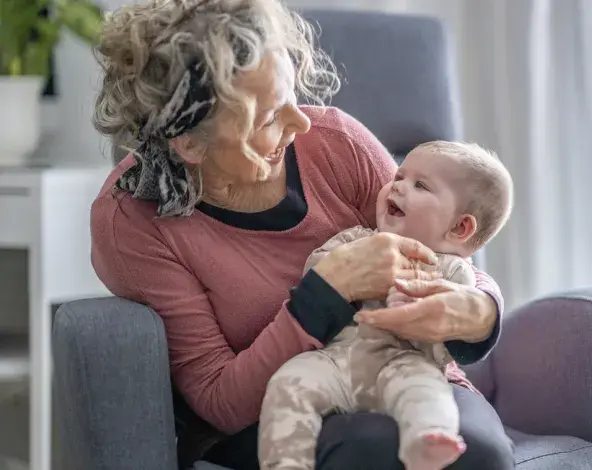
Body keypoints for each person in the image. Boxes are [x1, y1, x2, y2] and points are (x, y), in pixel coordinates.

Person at [88, 0, 515, 469]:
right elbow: (217, 398)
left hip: (409, 375)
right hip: (275, 413)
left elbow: (444, 255)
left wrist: (478, 309)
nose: (303, 123)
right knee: (373, 448)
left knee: (479, 450)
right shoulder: (132, 221)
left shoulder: (337, 143)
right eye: (269, 118)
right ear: (189, 143)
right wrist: (325, 292)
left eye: (291, 95)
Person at [259, 141, 513, 470]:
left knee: (428, 394)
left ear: (459, 227)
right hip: (337, 361)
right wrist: (346, 273)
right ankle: (286, 462)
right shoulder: (358, 240)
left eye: (420, 185)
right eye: (399, 176)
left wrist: (421, 307)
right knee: (288, 383)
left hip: (405, 364)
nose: (397, 186)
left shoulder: (452, 273)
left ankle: (426, 444)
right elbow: (315, 274)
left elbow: (445, 349)